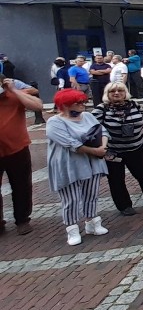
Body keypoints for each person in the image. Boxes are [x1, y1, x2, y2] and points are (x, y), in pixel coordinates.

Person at [46, 89, 110, 246]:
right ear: (66, 105)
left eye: (83, 101)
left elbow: (102, 131)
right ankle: (72, 228)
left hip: (92, 161)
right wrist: (95, 150)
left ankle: (92, 222)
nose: (83, 105)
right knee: (71, 198)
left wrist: (103, 146)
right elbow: (70, 144)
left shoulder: (88, 116)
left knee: (91, 193)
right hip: (69, 163)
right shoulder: (55, 122)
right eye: (78, 102)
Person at [91, 82, 143, 216]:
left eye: (120, 90)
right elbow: (93, 128)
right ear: (107, 94)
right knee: (116, 179)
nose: (116, 93)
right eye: (112, 91)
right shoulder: (101, 109)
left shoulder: (134, 104)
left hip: (136, 148)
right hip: (114, 151)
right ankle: (124, 205)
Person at [0, 75, 42, 235]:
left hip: (17, 149)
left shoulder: (14, 94)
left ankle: (22, 219)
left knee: (21, 186)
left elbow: (37, 106)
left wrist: (14, 91)